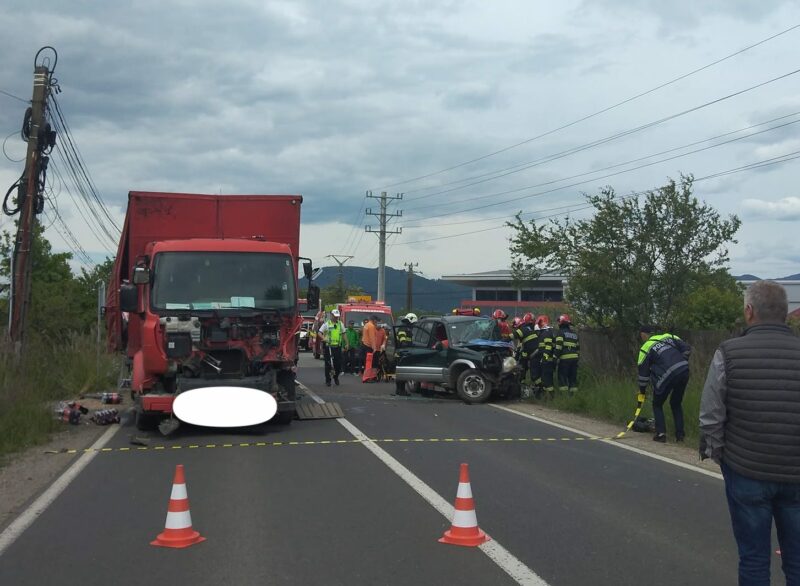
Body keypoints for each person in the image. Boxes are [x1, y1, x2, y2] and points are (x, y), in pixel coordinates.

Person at [699, 280, 800, 584]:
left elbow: (710, 415)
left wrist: (721, 456)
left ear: (749, 311)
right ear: (786, 314)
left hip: (746, 471)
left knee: (754, 558)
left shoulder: (729, 353)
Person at [637, 325, 691, 442]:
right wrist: (682, 361)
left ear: (643, 334)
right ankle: (680, 436)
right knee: (676, 403)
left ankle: (661, 434)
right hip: (683, 370)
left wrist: (642, 391)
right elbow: (687, 348)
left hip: (666, 375)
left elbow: (643, 375)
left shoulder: (645, 348)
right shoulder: (668, 336)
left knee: (657, 404)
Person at [555, 314, 580, 395]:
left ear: (561, 323)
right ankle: (573, 396)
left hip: (564, 360)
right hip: (574, 360)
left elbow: (558, 347)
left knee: (562, 378)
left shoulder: (560, 333)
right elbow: (578, 349)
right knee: (572, 379)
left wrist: (555, 357)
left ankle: (564, 396)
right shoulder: (574, 334)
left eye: (559, 322)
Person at [318, 309, 345, 386]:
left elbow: (344, 334)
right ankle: (328, 380)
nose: (336, 318)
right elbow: (319, 333)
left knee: (338, 364)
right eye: (335, 316)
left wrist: (346, 343)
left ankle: (336, 377)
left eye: (337, 317)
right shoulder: (326, 324)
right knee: (328, 364)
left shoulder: (340, 324)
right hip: (329, 347)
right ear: (331, 315)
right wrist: (323, 338)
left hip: (337, 347)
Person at [536, 315, 556, 399]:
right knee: (544, 379)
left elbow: (548, 346)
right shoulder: (545, 332)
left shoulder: (547, 332)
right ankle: (545, 396)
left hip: (547, 361)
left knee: (547, 379)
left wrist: (545, 358)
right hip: (546, 360)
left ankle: (552, 396)